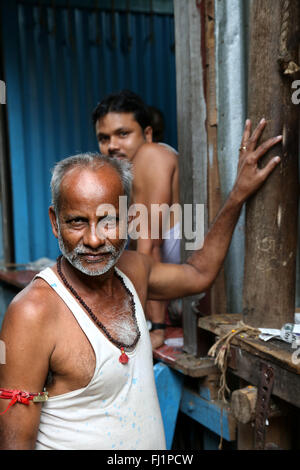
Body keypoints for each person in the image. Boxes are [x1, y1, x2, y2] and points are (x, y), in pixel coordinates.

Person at [0, 119, 282, 450]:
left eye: (109, 221)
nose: (93, 239)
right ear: (54, 223)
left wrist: (238, 195)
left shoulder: (132, 272)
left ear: (131, 220)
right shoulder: (32, 313)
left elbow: (199, 273)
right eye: (77, 221)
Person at [92, 90, 181, 349]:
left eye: (123, 134)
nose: (112, 146)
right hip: (173, 306)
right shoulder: (126, 180)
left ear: (148, 134)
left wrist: (153, 328)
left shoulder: (151, 156)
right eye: (103, 138)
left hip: (180, 308)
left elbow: (148, 248)